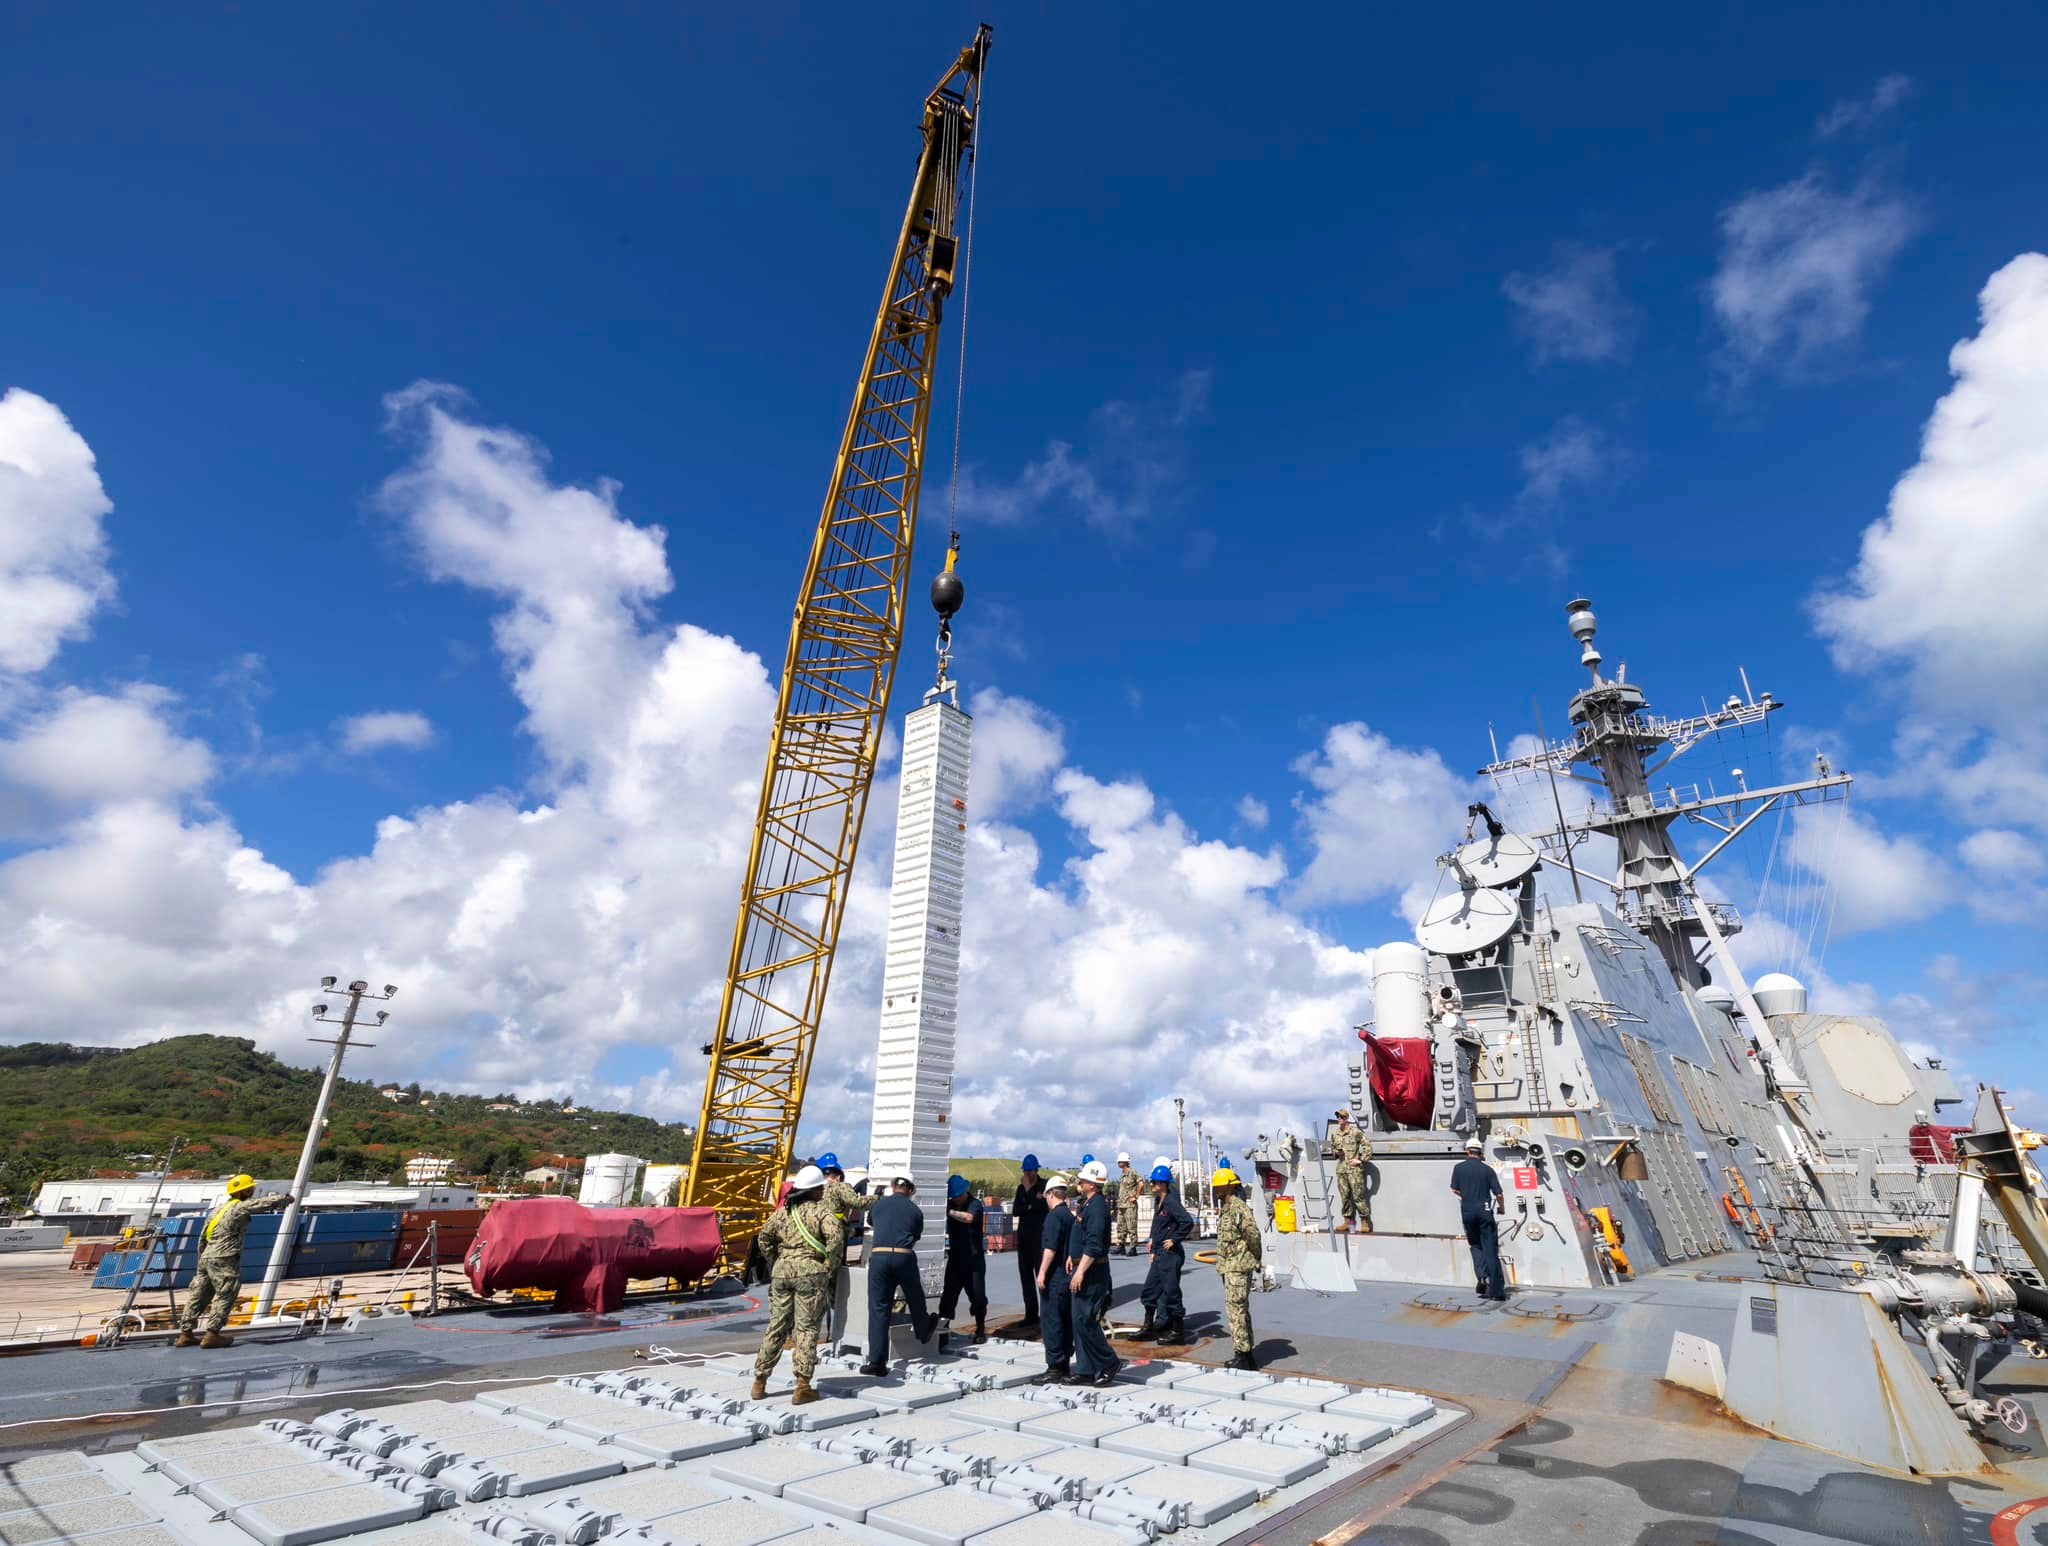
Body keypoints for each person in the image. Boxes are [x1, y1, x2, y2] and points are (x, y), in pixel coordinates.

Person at [751, 1164, 845, 1404]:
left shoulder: (783, 1212)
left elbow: (764, 1237)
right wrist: (828, 1266)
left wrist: (778, 1261)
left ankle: (759, 1381)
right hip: (810, 1273)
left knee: (777, 1326)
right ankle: (803, 1385)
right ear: (813, 1191)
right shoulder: (821, 1212)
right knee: (806, 1328)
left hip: (782, 1272)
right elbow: (835, 1238)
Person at [174, 1174, 291, 1348]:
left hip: (206, 1256)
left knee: (198, 1294)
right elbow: (261, 1204)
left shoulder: (217, 1210)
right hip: (224, 1256)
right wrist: (284, 1199)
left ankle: (186, 1333)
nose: (253, 1191)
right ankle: (213, 1334)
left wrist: (204, 1258)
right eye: (251, 1188)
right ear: (245, 1191)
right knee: (226, 1292)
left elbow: (203, 1236)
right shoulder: (238, 1207)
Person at [859, 1174, 935, 1375]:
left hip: (879, 1258)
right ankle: (923, 1329)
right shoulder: (915, 1211)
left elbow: (871, 1221)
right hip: (903, 1256)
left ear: (893, 1187)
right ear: (910, 1190)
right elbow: (916, 1235)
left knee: (878, 1309)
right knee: (915, 1295)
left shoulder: (879, 1206)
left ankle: (877, 1362)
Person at [1067, 1161, 1120, 1386]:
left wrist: (1080, 1271)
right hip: (1083, 1268)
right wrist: (1072, 1255)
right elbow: (1082, 1236)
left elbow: (1095, 1244)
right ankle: (1085, 1369)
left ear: (1092, 1183)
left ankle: (1108, 1362)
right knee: (1079, 1321)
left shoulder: (1097, 1207)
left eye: (1083, 1179)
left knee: (1086, 1320)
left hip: (1092, 1273)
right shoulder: (1088, 1204)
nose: (1080, 1182)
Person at [1137, 1163, 1194, 1343]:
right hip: (1160, 1253)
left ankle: (1177, 1332)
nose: (1151, 1185)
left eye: (1154, 1182)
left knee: (1171, 1293)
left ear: (1163, 1184)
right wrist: (1153, 1244)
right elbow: (1158, 1225)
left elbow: (1187, 1221)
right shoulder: (1159, 1201)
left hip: (1171, 1255)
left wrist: (1174, 1239)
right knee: (1150, 1290)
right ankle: (1148, 1326)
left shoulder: (1170, 1201)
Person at [1213, 1168, 1262, 1370]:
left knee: (1236, 1311)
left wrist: (1255, 1257)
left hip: (1238, 1267)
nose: (1216, 1190)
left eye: (1219, 1187)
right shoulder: (1227, 1208)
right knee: (1239, 1310)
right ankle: (1246, 1354)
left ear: (1229, 1186)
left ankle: (1242, 1356)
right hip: (1230, 1267)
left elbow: (1253, 1235)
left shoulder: (1238, 1208)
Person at [1449, 1135, 1507, 1300]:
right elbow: (1499, 1193)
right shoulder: (1487, 1170)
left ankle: (1482, 1276)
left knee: (1475, 1245)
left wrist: (1467, 1195)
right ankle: (1497, 1291)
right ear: (1480, 1152)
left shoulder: (1458, 1168)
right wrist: (1501, 1208)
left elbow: (1455, 1189)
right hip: (1485, 1212)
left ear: (1467, 1151)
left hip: (1467, 1212)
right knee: (1490, 1249)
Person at [1031, 1174, 1075, 1384]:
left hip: (1054, 1278)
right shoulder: (1069, 1215)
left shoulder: (1054, 1217)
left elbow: (1050, 1248)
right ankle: (1064, 1363)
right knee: (1065, 1321)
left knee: (1051, 1321)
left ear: (1050, 1194)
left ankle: (1054, 1367)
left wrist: (1041, 1272)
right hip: (1067, 1278)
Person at [938, 1174, 988, 1343]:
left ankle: (980, 1330)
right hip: (955, 1260)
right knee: (948, 1299)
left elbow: (969, 1218)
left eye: (956, 1196)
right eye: (952, 1197)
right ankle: (942, 1333)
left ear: (964, 1192)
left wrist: (950, 1212)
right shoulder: (950, 1203)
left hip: (973, 1261)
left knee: (978, 1297)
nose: (955, 1199)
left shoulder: (975, 1205)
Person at [1011, 1156, 1048, 1332]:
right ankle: (1031, 1314)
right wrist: (1030, 1202)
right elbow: (1016, 1211)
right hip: (1024, 1238)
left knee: (1042, 1277)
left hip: (1039, 1238)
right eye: (1025, 1171)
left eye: (1030, 1171)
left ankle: (1047, 1313)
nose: (1027, 1174)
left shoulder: (1044, 1186)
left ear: (1036, 1170)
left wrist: (1029, 1193)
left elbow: (1040, 1206)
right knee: (1025, 1277)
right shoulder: (1020, 1189)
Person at [1332, 1109, 1373, 1233]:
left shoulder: (1355, 1132)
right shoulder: (1335, 1134)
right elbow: (1333, 1149)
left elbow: (1367, 1146)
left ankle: (1365, 1222)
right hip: (1341, 1170)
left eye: (1341, 1117)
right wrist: (1336, 1152)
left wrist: (1360, 1160)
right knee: (1344, 1197)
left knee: (1358, 1196)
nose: (1339, 1118)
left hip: (1354, 1170)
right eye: (1338, 1117)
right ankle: (1347, 1222)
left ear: (1346, 1118)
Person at [1113, 1153, 1141, 1257]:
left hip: (1130, 1205)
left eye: (1120, 1161)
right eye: (1118, 1161)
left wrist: (1136, 1196)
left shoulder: (1132, 1172)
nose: (1119, 1163)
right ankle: (1121, 1246)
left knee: (1131, 1227)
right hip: (1122, 1205)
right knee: (1121, 1227)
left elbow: (1141, 1183)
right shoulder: (1123, 1174)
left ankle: (1133, 1248)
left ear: (1126, 1162)